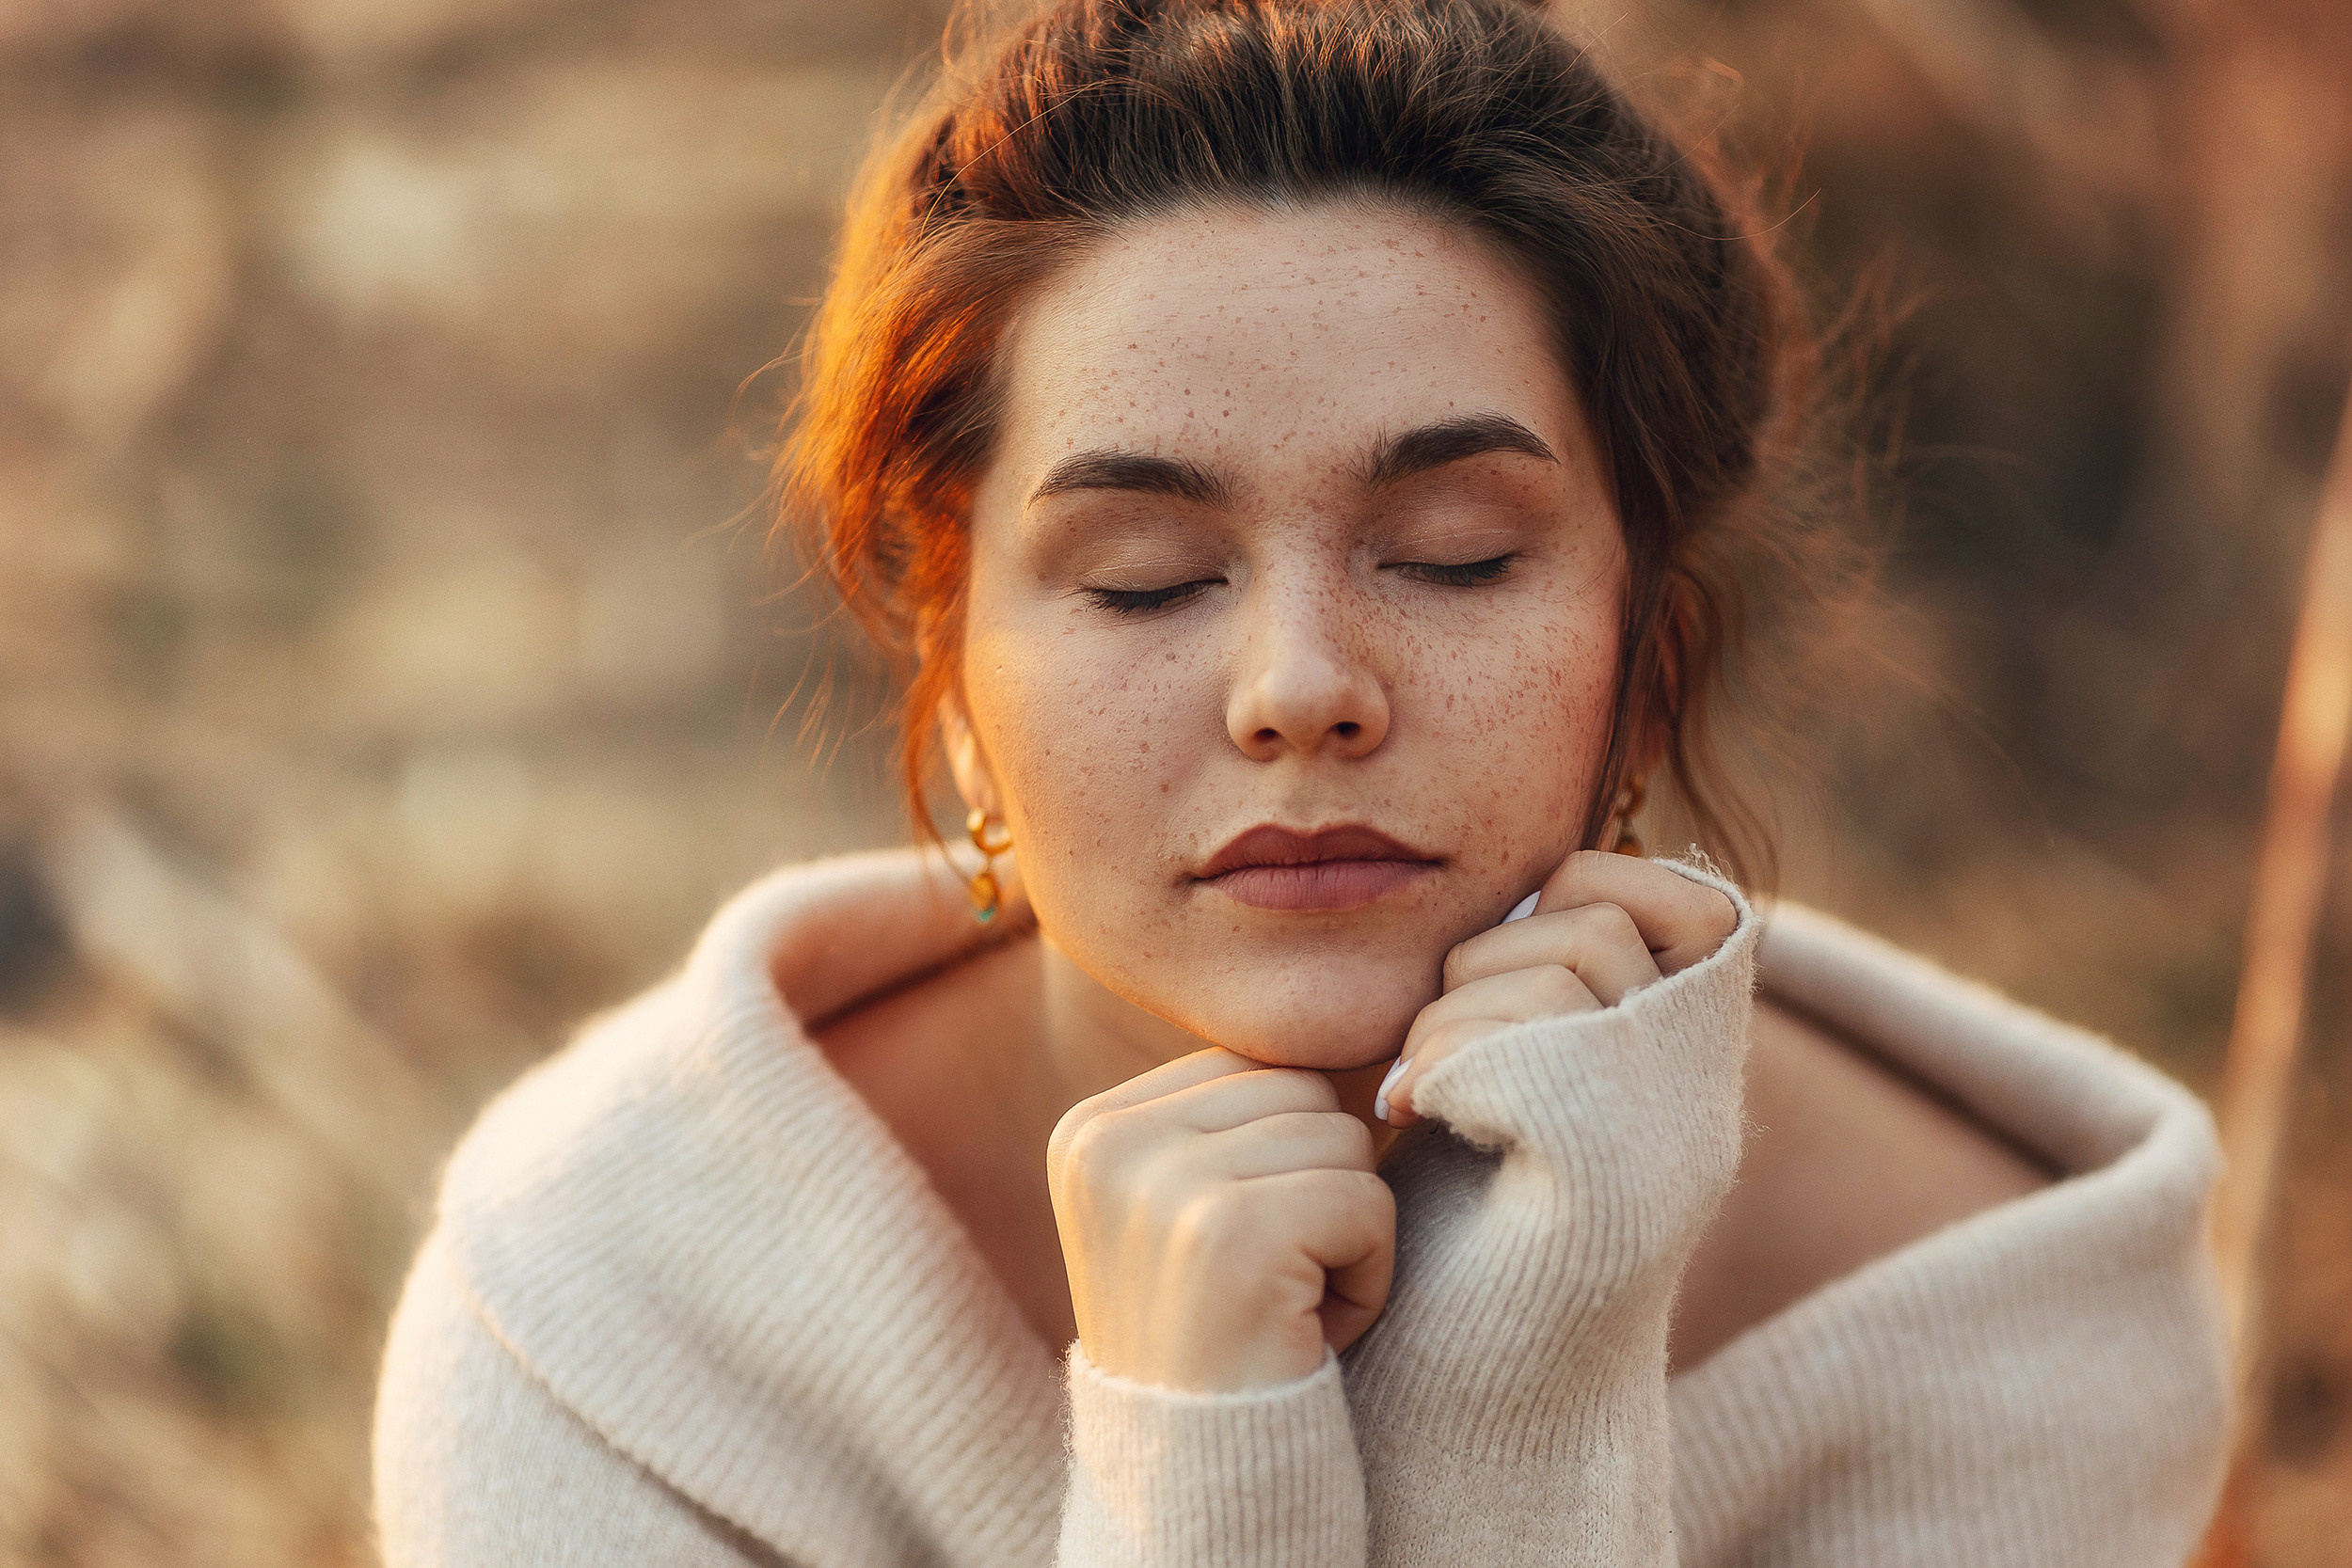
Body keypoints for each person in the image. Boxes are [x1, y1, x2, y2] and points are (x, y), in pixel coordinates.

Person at [371, 0, 2231, 1561]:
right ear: (954, 674)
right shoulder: (610, 1323)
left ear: (1649, 654)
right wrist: (1195, 1448)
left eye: (1450, 556)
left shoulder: (1995, 1327)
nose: (1299, 690)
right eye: (1143, 580)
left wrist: (1518, 1380)